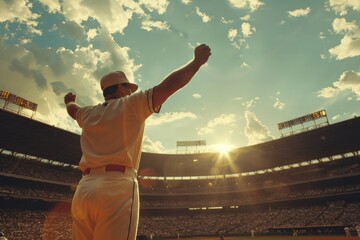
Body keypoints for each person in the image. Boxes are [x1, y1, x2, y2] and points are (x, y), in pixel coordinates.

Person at [64, 44, 211, 240]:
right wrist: (196, 63)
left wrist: (68, 101)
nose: (131, 91)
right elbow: (169, 86)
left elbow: (73, 110)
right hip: (116, 186)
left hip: (84, 188)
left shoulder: (88, 113)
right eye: (128, 87)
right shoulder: (131, 104)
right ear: (120, 87)